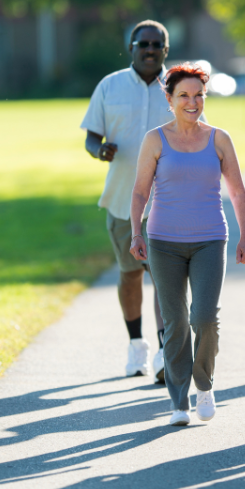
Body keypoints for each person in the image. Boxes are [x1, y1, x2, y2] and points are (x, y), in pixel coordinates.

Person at [128, 63, 245, 426]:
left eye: (199, 95)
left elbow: (238, 191)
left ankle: (205, 384)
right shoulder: (155, 139)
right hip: (163, 241)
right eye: (183, 95)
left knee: (204, 318)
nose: (192, 101)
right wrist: (137, 232)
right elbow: (139, 191)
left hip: (210, 240)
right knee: (176, 322)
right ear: (169, 99)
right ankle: (179, 402)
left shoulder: (219, 139)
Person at [82, 20, 199, 384]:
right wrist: (99, 151)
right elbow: (90, 137)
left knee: (165, 280)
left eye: (156, 44)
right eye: (142, 43)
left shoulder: (180, 88)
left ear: (166, 49)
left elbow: (199, 134)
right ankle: (137, 345)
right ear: (131, 47)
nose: (149, 50)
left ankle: (166, 350)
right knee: (131, 274)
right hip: (121, 201)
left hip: (167, 204)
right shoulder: (110, 86)